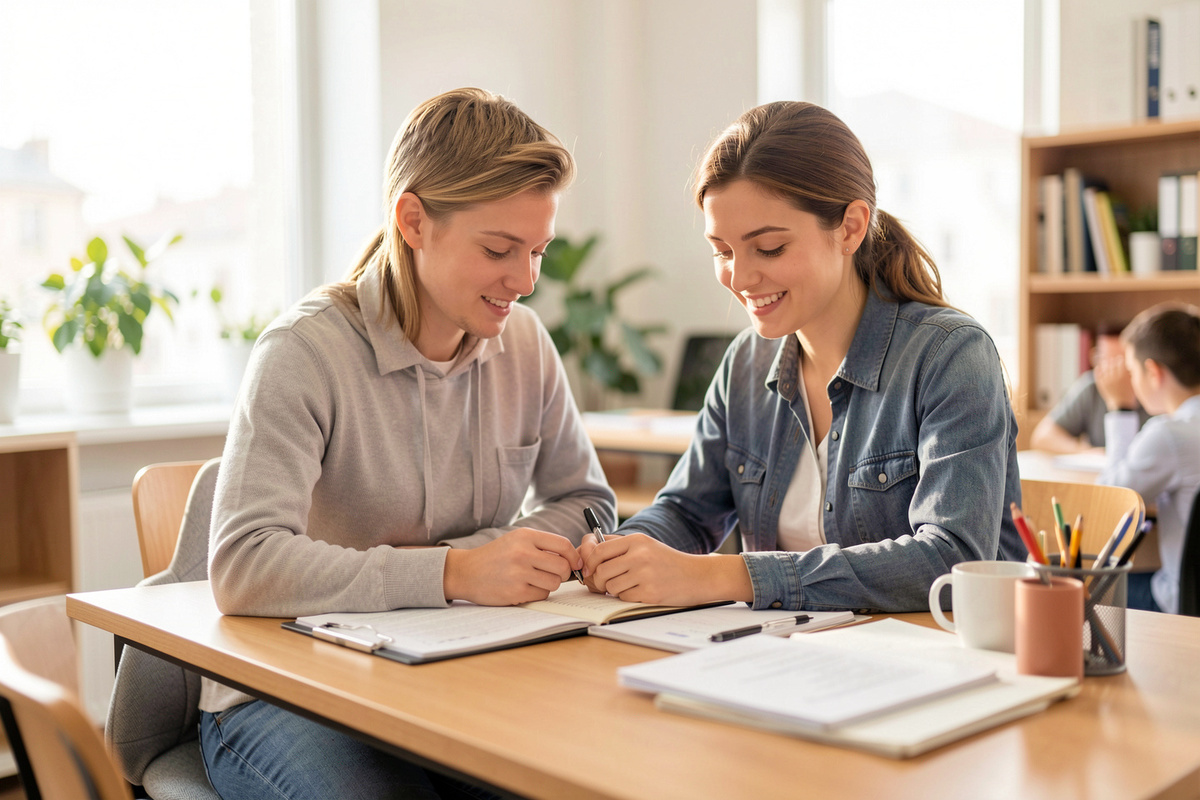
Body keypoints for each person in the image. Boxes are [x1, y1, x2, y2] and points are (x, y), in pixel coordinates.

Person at [202, 88, 616, 800]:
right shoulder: (304, 352)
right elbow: (243, 565)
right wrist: (455, 571)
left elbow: (586, 501)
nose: (525, 281)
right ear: (413, 220)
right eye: (498, 249)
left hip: (456, 671)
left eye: (538, 251)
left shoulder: (523, 344)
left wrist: (505, 553)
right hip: (291, 692)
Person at [579, 101, 1023, 613]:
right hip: (789, 658)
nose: (740, 279)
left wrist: (734, 576)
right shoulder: (745, 362)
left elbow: (949, 561)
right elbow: (686, 511)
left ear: (851, 228)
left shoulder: (950, 356)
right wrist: (624, 551)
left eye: (767, 249)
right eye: (722, 251)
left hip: (935, 661)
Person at [1099, 303, 1200, 614]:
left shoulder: (1170, 434)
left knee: (1091, 588)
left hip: (1181, 602)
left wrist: (1119, 407)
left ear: (1154, 372)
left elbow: (1110, 499)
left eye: (1132, 370)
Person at [1030, 320, 1149, 453]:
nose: (1112, 372)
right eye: (1105, 361)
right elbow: (1043, 436)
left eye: (1119, 364)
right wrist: (1086, 452)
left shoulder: (1153, 393)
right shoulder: (1091, 387)